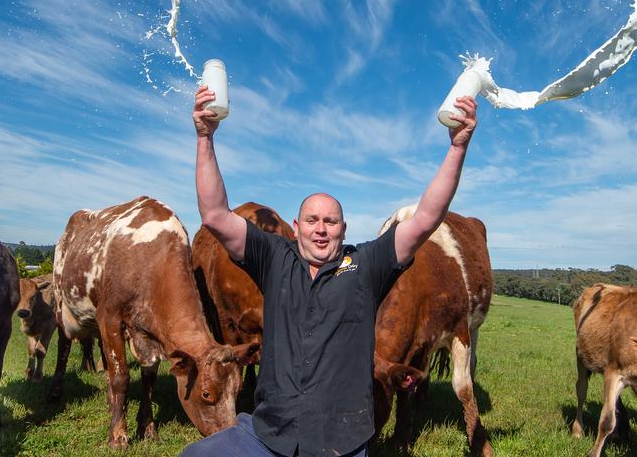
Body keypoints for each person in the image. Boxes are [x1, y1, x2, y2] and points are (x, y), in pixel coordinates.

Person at [181, 85, 478, 457]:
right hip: (268, 433)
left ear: (344, 229)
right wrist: (205, 138)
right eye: (312, 220)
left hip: (340, 442)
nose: (321, 228)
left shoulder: (366, 265)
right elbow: (214, 215)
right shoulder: (274, 258)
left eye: (331, 222)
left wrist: (457, 147)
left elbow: (424, 220)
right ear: (297, 225)